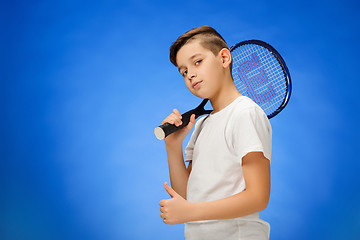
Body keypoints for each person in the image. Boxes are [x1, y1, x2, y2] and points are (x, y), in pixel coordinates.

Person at [159, 26, 272, 240]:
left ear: (224, 58)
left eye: (197, 62)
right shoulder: (202, 125)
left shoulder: (245, 113)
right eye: (183, 71)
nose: (190, 74)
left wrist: (190, 212)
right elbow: (187, 197)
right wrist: (172, 145)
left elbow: (258, 197)